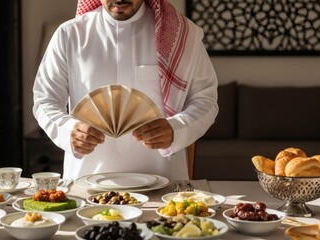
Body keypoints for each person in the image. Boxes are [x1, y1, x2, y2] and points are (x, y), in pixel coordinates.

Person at [33, 0, 218, 181]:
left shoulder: (182, 36)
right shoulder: (70, 34)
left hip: (165, 188)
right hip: (86, 185)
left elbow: (206, 100)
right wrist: (68, 130)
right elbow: (44, 100)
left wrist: (176, 129)